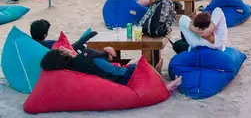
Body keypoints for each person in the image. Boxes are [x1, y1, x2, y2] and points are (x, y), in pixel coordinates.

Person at [40, 46, 182, 90]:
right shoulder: (85, 59)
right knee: (141, 64)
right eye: (62, 51)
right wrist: (126, 69)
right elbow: (111, 70)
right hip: (121, 78)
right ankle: (165, 83)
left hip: (109, 73)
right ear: (64, 56)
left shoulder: (74, 67)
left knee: (136, 63)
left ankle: (156, 72)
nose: (66, 48)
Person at [30, 19, 97, 50]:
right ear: (45, 35)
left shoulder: (27, 44)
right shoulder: (51, 44)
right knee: (92, 34)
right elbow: (70, 49)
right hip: (67, 52)